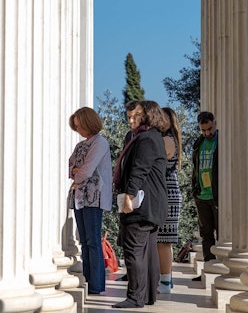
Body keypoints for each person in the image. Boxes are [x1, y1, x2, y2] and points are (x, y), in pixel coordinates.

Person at [112, 100, 169, 309]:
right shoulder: (150, 137)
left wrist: (129, 195)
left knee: (134, 248)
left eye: (136, 115)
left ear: (148, 115)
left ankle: (136, 297)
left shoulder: (146, 139)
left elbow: (139, 169)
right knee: (148, 250)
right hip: (153, 204)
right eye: (129, 116)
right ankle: (148, 296)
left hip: (143, 204)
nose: (131, 120)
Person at [68, 107, 113, 295]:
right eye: (76, 127)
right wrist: (77, 172)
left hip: (94, 198)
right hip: (79, 197)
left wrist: (79, 172)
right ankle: (88, 280)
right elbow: (71, 167)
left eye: (80, 126)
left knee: (93, 241)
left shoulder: (100, 143)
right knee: (85, 242)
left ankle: (96, 284)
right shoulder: (81, 145)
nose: (79, 130)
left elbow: (85, 170)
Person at [156, 107, 183, 294]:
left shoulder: (166, 140)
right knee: (165, 240)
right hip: (170, 191)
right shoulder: (173, 139)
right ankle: (167, 280)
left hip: (167, 193)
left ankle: (165, 282)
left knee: (163, 241)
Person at [192, 110, 219, 279]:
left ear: (215, 123)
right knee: (206, 234)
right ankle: (209, 272)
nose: (207, 133)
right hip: (201, 195)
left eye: (209, 129)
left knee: (222, 234)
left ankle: (221, 270)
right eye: (203, 130)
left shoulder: (221, 141)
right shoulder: (198, 143)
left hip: (216, 195)